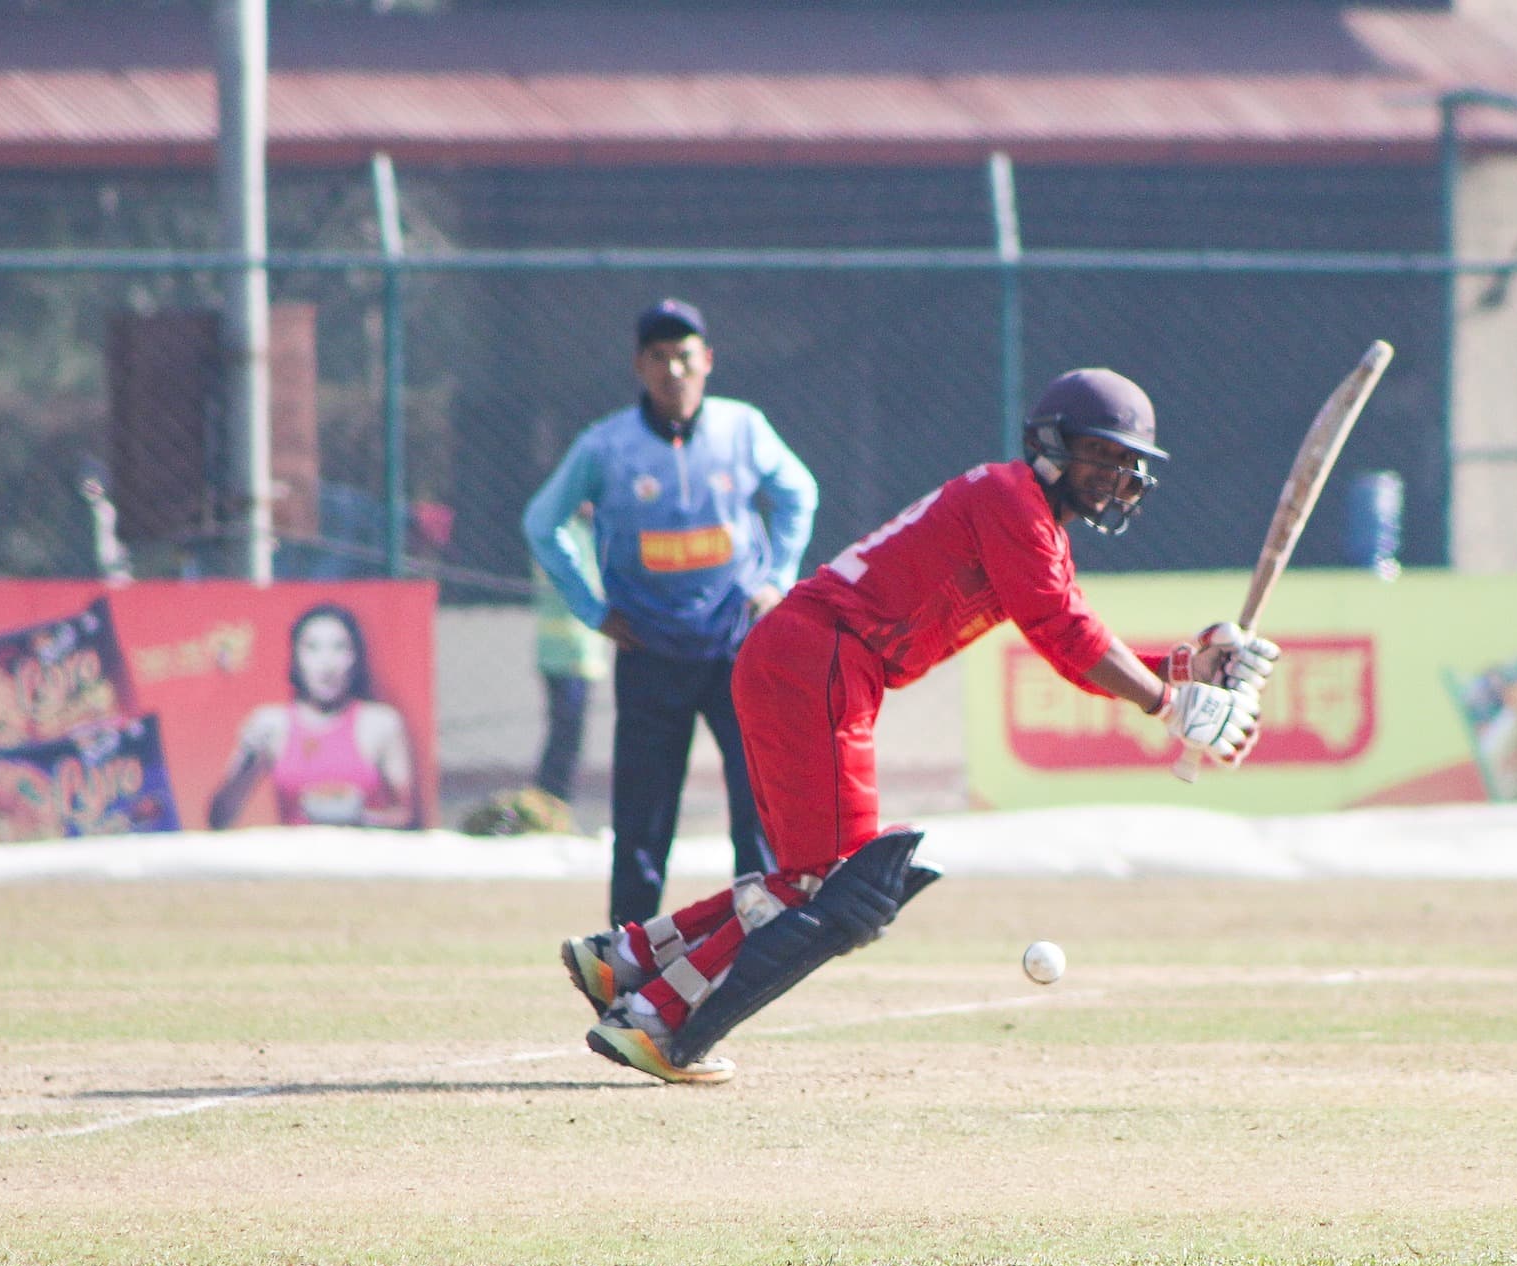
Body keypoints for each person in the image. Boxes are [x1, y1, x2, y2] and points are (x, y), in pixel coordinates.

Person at [559, 367, 1280, 1083]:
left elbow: (1072, 639)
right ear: (1053, 444)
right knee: (842, 889)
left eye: (1127, 463)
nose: (1113, 475)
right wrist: (1169, 703)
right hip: (824, 660)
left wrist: (1189, 666)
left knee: (809, 879)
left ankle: (628, 958)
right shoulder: (1012, 502)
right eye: (1100, 453)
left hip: (804, 658)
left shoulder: (1028, 519)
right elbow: (1066, 632)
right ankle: (656, 1020)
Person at [523, 298, 819, 928]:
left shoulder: (743, 429)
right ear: (639, 366)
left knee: (758, 806)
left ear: (707, 361)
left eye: (684, 355)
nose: (673, 370)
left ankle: (757, 942)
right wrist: (591, 609)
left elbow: (800, 493)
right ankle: (627, 958)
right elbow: (541, 523)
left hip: (738, 650)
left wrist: (776, 581)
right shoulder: (606, 447)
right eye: (658, 358)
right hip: (649, 652)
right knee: (642, 821)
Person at [208, 602, 418, 830]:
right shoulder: (271, 723)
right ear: (296, 659)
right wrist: (246, 762)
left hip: (363, 860)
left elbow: (406, 817)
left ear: (356, 659)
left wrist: (360, 820)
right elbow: (219, 820)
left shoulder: (380, 723)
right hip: (296, 862)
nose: (326, 663)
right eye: (312, 648)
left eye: (339, 648)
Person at [529, 507, 610, 810]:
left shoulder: (587, 534)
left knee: (569, 732)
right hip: (562, 655)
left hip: (583, 654)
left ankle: (554, 799)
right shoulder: (558, 533)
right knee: (564, 731)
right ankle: (550, 798)